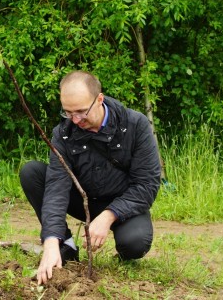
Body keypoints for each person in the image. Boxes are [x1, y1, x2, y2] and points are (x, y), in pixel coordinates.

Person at [20, 70, 161, 284]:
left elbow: (147, 185)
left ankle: (123, 247)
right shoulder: (63, 133)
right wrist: (50, 241)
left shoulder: (136, 125)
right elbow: (57, 187)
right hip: (82, 198)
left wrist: (108, 215)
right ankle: (65, 245)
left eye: (81, 111)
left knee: (135, 243)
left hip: (122, 203)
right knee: (31, 172)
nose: (75, 120)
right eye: (68, 112)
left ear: (99, 100)